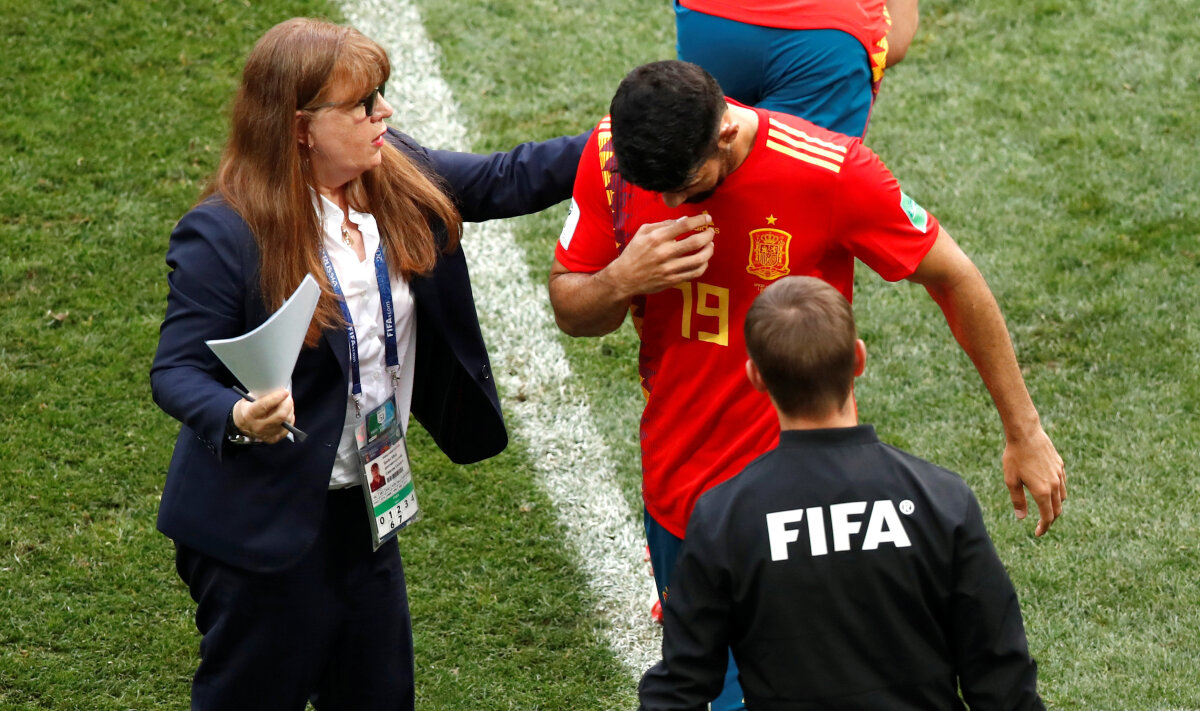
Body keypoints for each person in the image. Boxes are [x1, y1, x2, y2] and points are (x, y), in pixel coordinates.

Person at [548, 60, 1063, 710]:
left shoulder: (832, 172)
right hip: (679, 496)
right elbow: (571, 307)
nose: (672, 206)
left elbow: (953, 276)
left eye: (687, 186)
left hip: (807, 512)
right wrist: (622, 278)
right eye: (659, 191)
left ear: (725, 133)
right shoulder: (611, 153)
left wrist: (1025, 431)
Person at [150, 18, 585, 711]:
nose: (385, 113)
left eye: (380, 94)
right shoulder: (225, 231)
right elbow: (175, 370)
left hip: (364, 510)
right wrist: (237, 414)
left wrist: (619, 135)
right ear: (302, 129)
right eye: (362, 104)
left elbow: (508, 177)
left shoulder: (390, 170)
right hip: (260, 529)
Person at [638, 276, 1045, 711]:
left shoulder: (723, 518)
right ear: (859, 359)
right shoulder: (943, 501)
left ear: (756, 376)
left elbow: (681, 686)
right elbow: (1002, 682)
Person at [674, 0, 920, 137]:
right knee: (799, 182)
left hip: (708, 18)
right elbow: (895, 41)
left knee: (703, 155)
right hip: (822, 37)